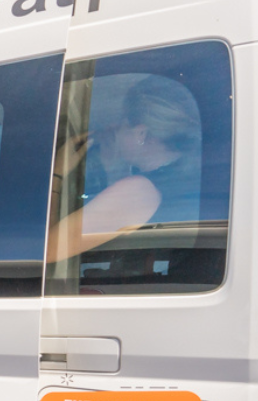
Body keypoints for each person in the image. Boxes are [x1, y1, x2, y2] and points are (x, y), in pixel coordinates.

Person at [49, 75, 204, 262]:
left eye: (121, 123)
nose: (113, 127)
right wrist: (114, 170)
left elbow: (48, 250)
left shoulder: (139, 191)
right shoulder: (174, 179)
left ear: (141, 133)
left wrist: (57, 172)